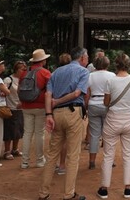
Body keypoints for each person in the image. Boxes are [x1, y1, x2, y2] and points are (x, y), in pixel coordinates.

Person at [38, 47, 90, 200]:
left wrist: (49, 113)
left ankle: (43, 193)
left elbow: (48, 94)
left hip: (56, 114)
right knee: (73, 155)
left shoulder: (56, 72)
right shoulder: (83, 72)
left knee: (52, 154)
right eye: (86, 57)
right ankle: (69, 194)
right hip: (73, 112)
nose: (87, 60)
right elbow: (76, 94)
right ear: (81, 58)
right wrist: (58, 101)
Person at [96, 53, 130, 199]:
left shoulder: (110, 81)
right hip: (129, 120)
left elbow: (106, 102)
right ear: (129, 64)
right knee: (128, 155)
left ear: (116, 65)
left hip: (112, 120)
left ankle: (104, 189)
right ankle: (128, 188)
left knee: (108, 155)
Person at [20, 48, 52, 169]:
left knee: (27, 133)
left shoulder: (24, 72)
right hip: (40, 106)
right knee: (39, 133)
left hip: (26, 106)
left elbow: (19, 90)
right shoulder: (45, 73)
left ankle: (25, 162)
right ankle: (39, 160)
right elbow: (50, 90)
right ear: (43, 60)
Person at [85, 55, 114, 170]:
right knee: (108, 134)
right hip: (107, 105)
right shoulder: (112, 75)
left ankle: (92, 161)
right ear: (107, 64)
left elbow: (87, 93)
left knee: (94, 134)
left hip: (93, 104)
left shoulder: (90, 76)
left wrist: (86, 106)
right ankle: (109, 161)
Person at [2, 60, 26, 161]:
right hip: (10, 108)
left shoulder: (24, 80)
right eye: (22, 69)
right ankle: (7, 151)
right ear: (16, 69)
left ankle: (15, 149)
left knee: (18, 130)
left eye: (25, 69)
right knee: (9, 130)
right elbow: (2, 91)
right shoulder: (8, 80)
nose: (24, 71)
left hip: (20, 109)